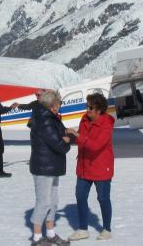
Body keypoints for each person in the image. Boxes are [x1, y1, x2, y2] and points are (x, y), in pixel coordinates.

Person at [67, 93, 115, 241]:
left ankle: (106, 229)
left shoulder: (106, 124)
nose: (87, 110)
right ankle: (83, 229)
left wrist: (77, 135)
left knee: (103, 198)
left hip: (101, 166)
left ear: (99, 110)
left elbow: (95, 146)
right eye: (86, 106)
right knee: (80, 196)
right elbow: (82, 138)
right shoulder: (84, 119)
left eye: (90, 108)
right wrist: (69, 138)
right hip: (84, 165)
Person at [28, 90, 71, 246]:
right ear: (52, 105)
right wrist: (66, 141)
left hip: (51, 166)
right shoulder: (44, 120)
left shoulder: (50, 118)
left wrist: (67, 133)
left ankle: (51, 234)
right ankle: (37, 238)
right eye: (58, 104)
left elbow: (59, 134)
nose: (59, 107)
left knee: (53, 201)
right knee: (43, 202)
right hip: (43, 167)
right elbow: (58, 144)